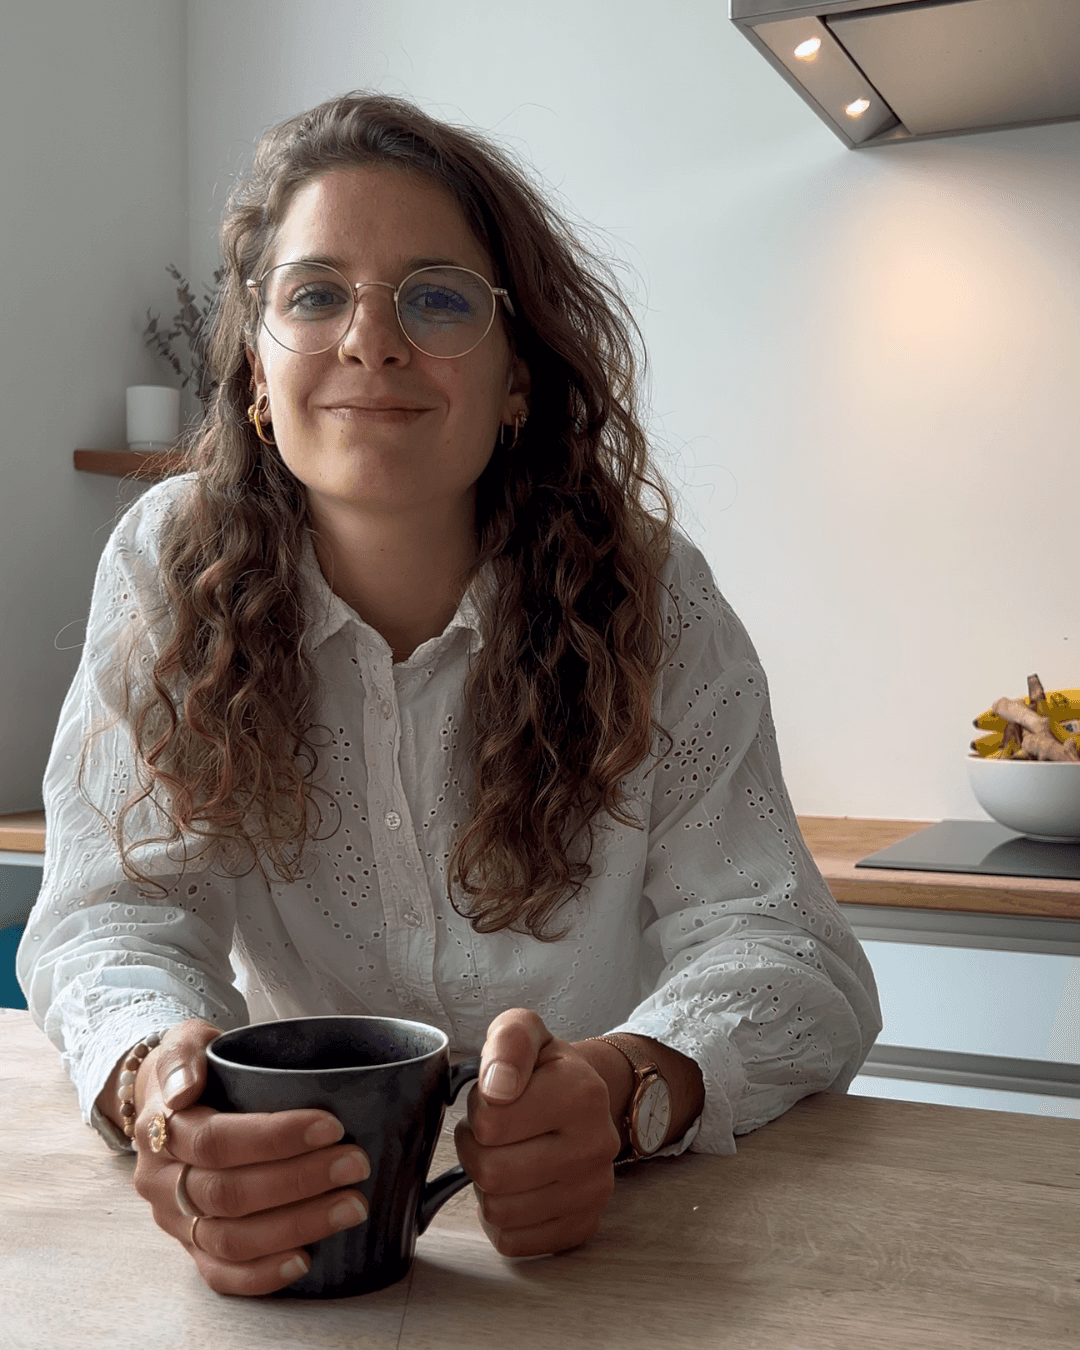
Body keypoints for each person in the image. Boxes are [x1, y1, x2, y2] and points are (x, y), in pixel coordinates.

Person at [18, 91, 882, 1297]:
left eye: (436, 299)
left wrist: (633, 1086)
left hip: (622, 1250)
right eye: (315, 295)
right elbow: (113, 919)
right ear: (258, 374)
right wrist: (162, 1089)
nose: (370, 342)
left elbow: (790, 949)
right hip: (299, 1232)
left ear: (516, 377)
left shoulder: (648, 593)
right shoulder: (167, 568)